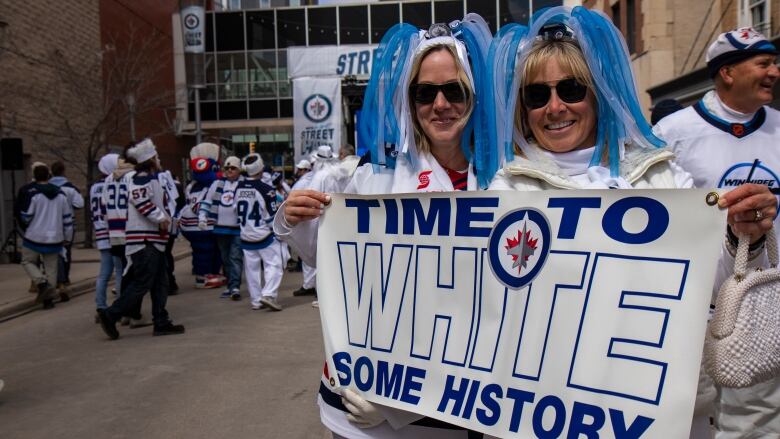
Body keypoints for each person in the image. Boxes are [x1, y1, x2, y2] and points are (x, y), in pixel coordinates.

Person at [487, 7, 776, 439]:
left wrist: (741, 235)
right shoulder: (502, 189)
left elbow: (712, 288)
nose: (554, 107)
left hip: (659, 409)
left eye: (571, 89)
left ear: (599, 93)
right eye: (535, 95)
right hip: (547, 409)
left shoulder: (659, 175)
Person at [275, 15, 493, 439]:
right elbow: (329, 263)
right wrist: (293, 218)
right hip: (367, 409)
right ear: (408, 101)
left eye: (455, 90)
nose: (440, 104)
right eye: (424, 93)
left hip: (466, 409)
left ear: (475, 95)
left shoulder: (507, 180)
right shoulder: (370, 177)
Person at [653, 27, 780, 439]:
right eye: (763, 63)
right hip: (697, 305)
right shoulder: (673, 132)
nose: (774, 72)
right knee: (692, 417)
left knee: (760, 417)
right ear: (727, 72)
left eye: (774, 63)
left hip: (764, 299)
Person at [97, 139, 184, 339]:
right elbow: (140, 199)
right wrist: (161, 218)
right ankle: (111, 314)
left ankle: (161, 320)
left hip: (152, 240)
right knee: (143, 282)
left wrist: (168, 222)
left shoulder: (147, 177)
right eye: (156, 156)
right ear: (150, 160)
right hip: (145, 240)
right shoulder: (142, 178)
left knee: (160, 282)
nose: (159, 159)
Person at [19, 163, 74, 310]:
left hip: (34, 236)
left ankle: (41, 283)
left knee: (27, 261)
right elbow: (67, 219)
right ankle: (48, 300)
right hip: (55, 236)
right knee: (52, 269)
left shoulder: (33, 194)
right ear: (48, 176)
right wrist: (67, 237)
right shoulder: (61, 194)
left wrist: (24, 220)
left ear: (35, 177)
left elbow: (27, 217)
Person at [234, 153, 284, 311]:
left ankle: (256, 301)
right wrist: (280, 233)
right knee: (274, 265)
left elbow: (235, 211)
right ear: (261, 168)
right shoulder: (266, 189)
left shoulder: (238, 188)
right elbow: (272, 218)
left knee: (251, 270)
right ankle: (268, 294)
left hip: (245, 235)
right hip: (264, 236)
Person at [180, 143, 225, 289]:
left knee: (209, 250)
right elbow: (198, 205)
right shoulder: (211, 185)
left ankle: (209, 273)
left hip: (195, 225)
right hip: (201, 225)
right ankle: (202, 277)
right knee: (204, 251)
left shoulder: (191, 185)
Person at [199, 156, 244, 300]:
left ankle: (235, 286)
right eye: (227, 168)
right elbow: (207, 201)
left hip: (238, 228)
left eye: (233, 168)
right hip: (220, 228)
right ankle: (230, 286)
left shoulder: (244, 184)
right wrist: (202, 216)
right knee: (225, 259)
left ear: (239, 170)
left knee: (235, 258)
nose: (229, 170)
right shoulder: (217, 184)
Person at [90, 153, 123, 320]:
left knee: (103, 274)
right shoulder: (113, 183)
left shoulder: (93, 187)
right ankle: (120, 308)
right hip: (114, 231)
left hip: (100, 232)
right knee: (119, 271)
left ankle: (101, 307)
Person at [49, 160, 84, 300]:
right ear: (64, 171)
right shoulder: (71, 188)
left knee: (53, 253)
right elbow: (79, 203)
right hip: (67, 223)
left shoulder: (48, 186)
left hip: (51, 224)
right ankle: (65, 279)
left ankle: (56, 278)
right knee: (66, 251)